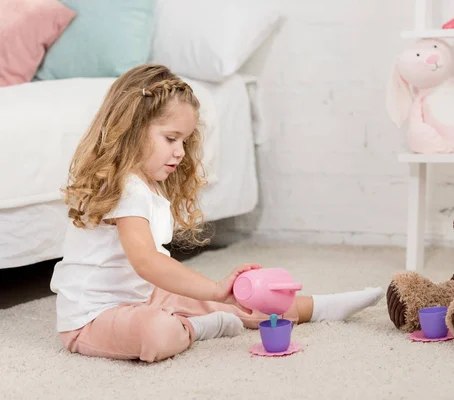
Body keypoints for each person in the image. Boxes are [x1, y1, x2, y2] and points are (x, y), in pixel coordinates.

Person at [50, 64, 384, 363]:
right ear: (132, 128)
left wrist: (219, 292)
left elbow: (148, 273)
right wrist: (211, 291)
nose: (180, 152)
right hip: (92, 319)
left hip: (145, 295)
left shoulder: (147, 184)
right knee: (158, 333)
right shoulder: (126, 187)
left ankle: (324, 306)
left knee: (245, 297)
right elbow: (147, 261)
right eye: (171, 138)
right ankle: (199, 328)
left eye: (184, 140)